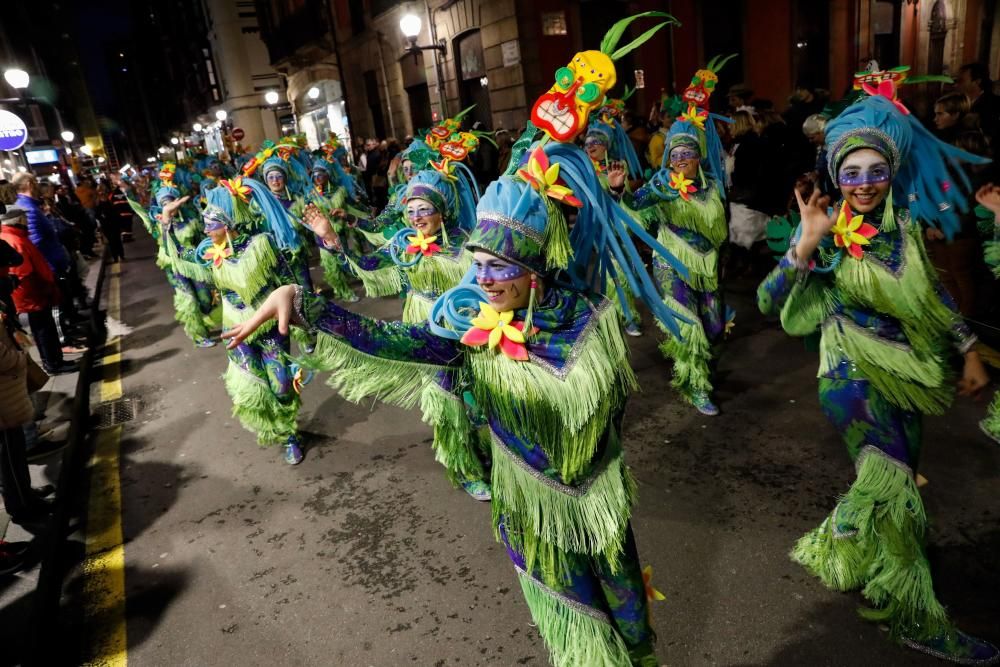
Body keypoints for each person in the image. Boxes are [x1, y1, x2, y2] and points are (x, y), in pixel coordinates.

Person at [757, 85, 998, 663]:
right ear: (836, 177)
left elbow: (934, 296)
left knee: (897, 477)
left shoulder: (905, 227)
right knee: (898, 499)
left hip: (906, 376)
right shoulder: (827, 233)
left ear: (890, 174)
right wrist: (804, 246)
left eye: (876, 172)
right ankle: (917, 616)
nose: (864, 184)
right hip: (849, 377)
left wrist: (967, 348)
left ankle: (842, 534)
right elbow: (769, 303)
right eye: (852, 173)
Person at [622, 58, 733, 416]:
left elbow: (722, 230)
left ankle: (705, 365)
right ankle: (696, 385)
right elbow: (635, 206)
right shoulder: (660, 184)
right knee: (689, 326)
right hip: (671, 261)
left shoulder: (713, 186)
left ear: (699, 157)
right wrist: (619, 192)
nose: (682, 158)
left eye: (688, 153)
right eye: (676, 154)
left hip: (709, 265)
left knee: (714, 327)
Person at [0, 208, 76, 374]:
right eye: (25, 217)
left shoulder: (14, 236)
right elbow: (22, 270)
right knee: (44, 330)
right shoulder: (15, 239)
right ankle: (53, 363)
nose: (27, 220)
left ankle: (54, 361)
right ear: (19, 220)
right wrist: (44, 285)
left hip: (32, 293)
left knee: (43, 329)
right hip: (32, 294)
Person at [957, 62, 1000, 148]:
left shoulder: (994, 103)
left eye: (962, 80)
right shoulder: (956, 101)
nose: (957, 84)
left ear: (977, 82)